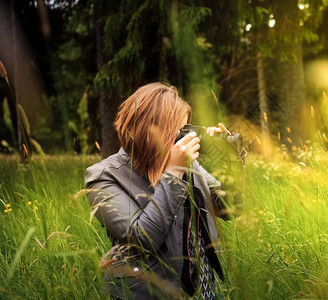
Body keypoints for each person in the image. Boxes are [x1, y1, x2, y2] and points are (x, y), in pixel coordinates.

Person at [85, 82, 244, 299]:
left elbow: (229, 209)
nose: (181, 140)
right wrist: (174, 170)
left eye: (185, 130)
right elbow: (143, 238)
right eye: (177, 132)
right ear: (146, 129)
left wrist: (233, 161)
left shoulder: (186, 163)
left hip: (202, 287)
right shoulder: (104, 176)